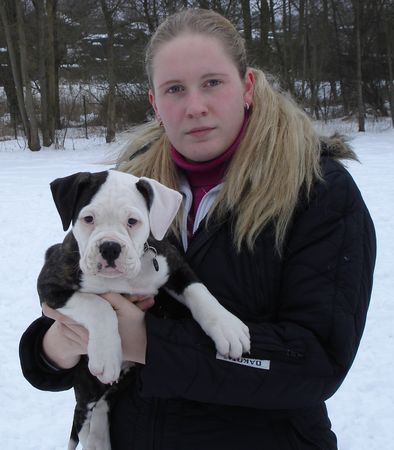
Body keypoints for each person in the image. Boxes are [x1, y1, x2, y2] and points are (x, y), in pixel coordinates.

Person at [19, 8, 376, 450]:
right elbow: (67, 290)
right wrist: (50, 351)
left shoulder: (317, 192)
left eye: (212, 82)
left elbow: (317, 363)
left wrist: (148, 341)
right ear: (154, 102)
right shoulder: (126, 190)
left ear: (246, 87)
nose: (195, 107)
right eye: (174, 89)